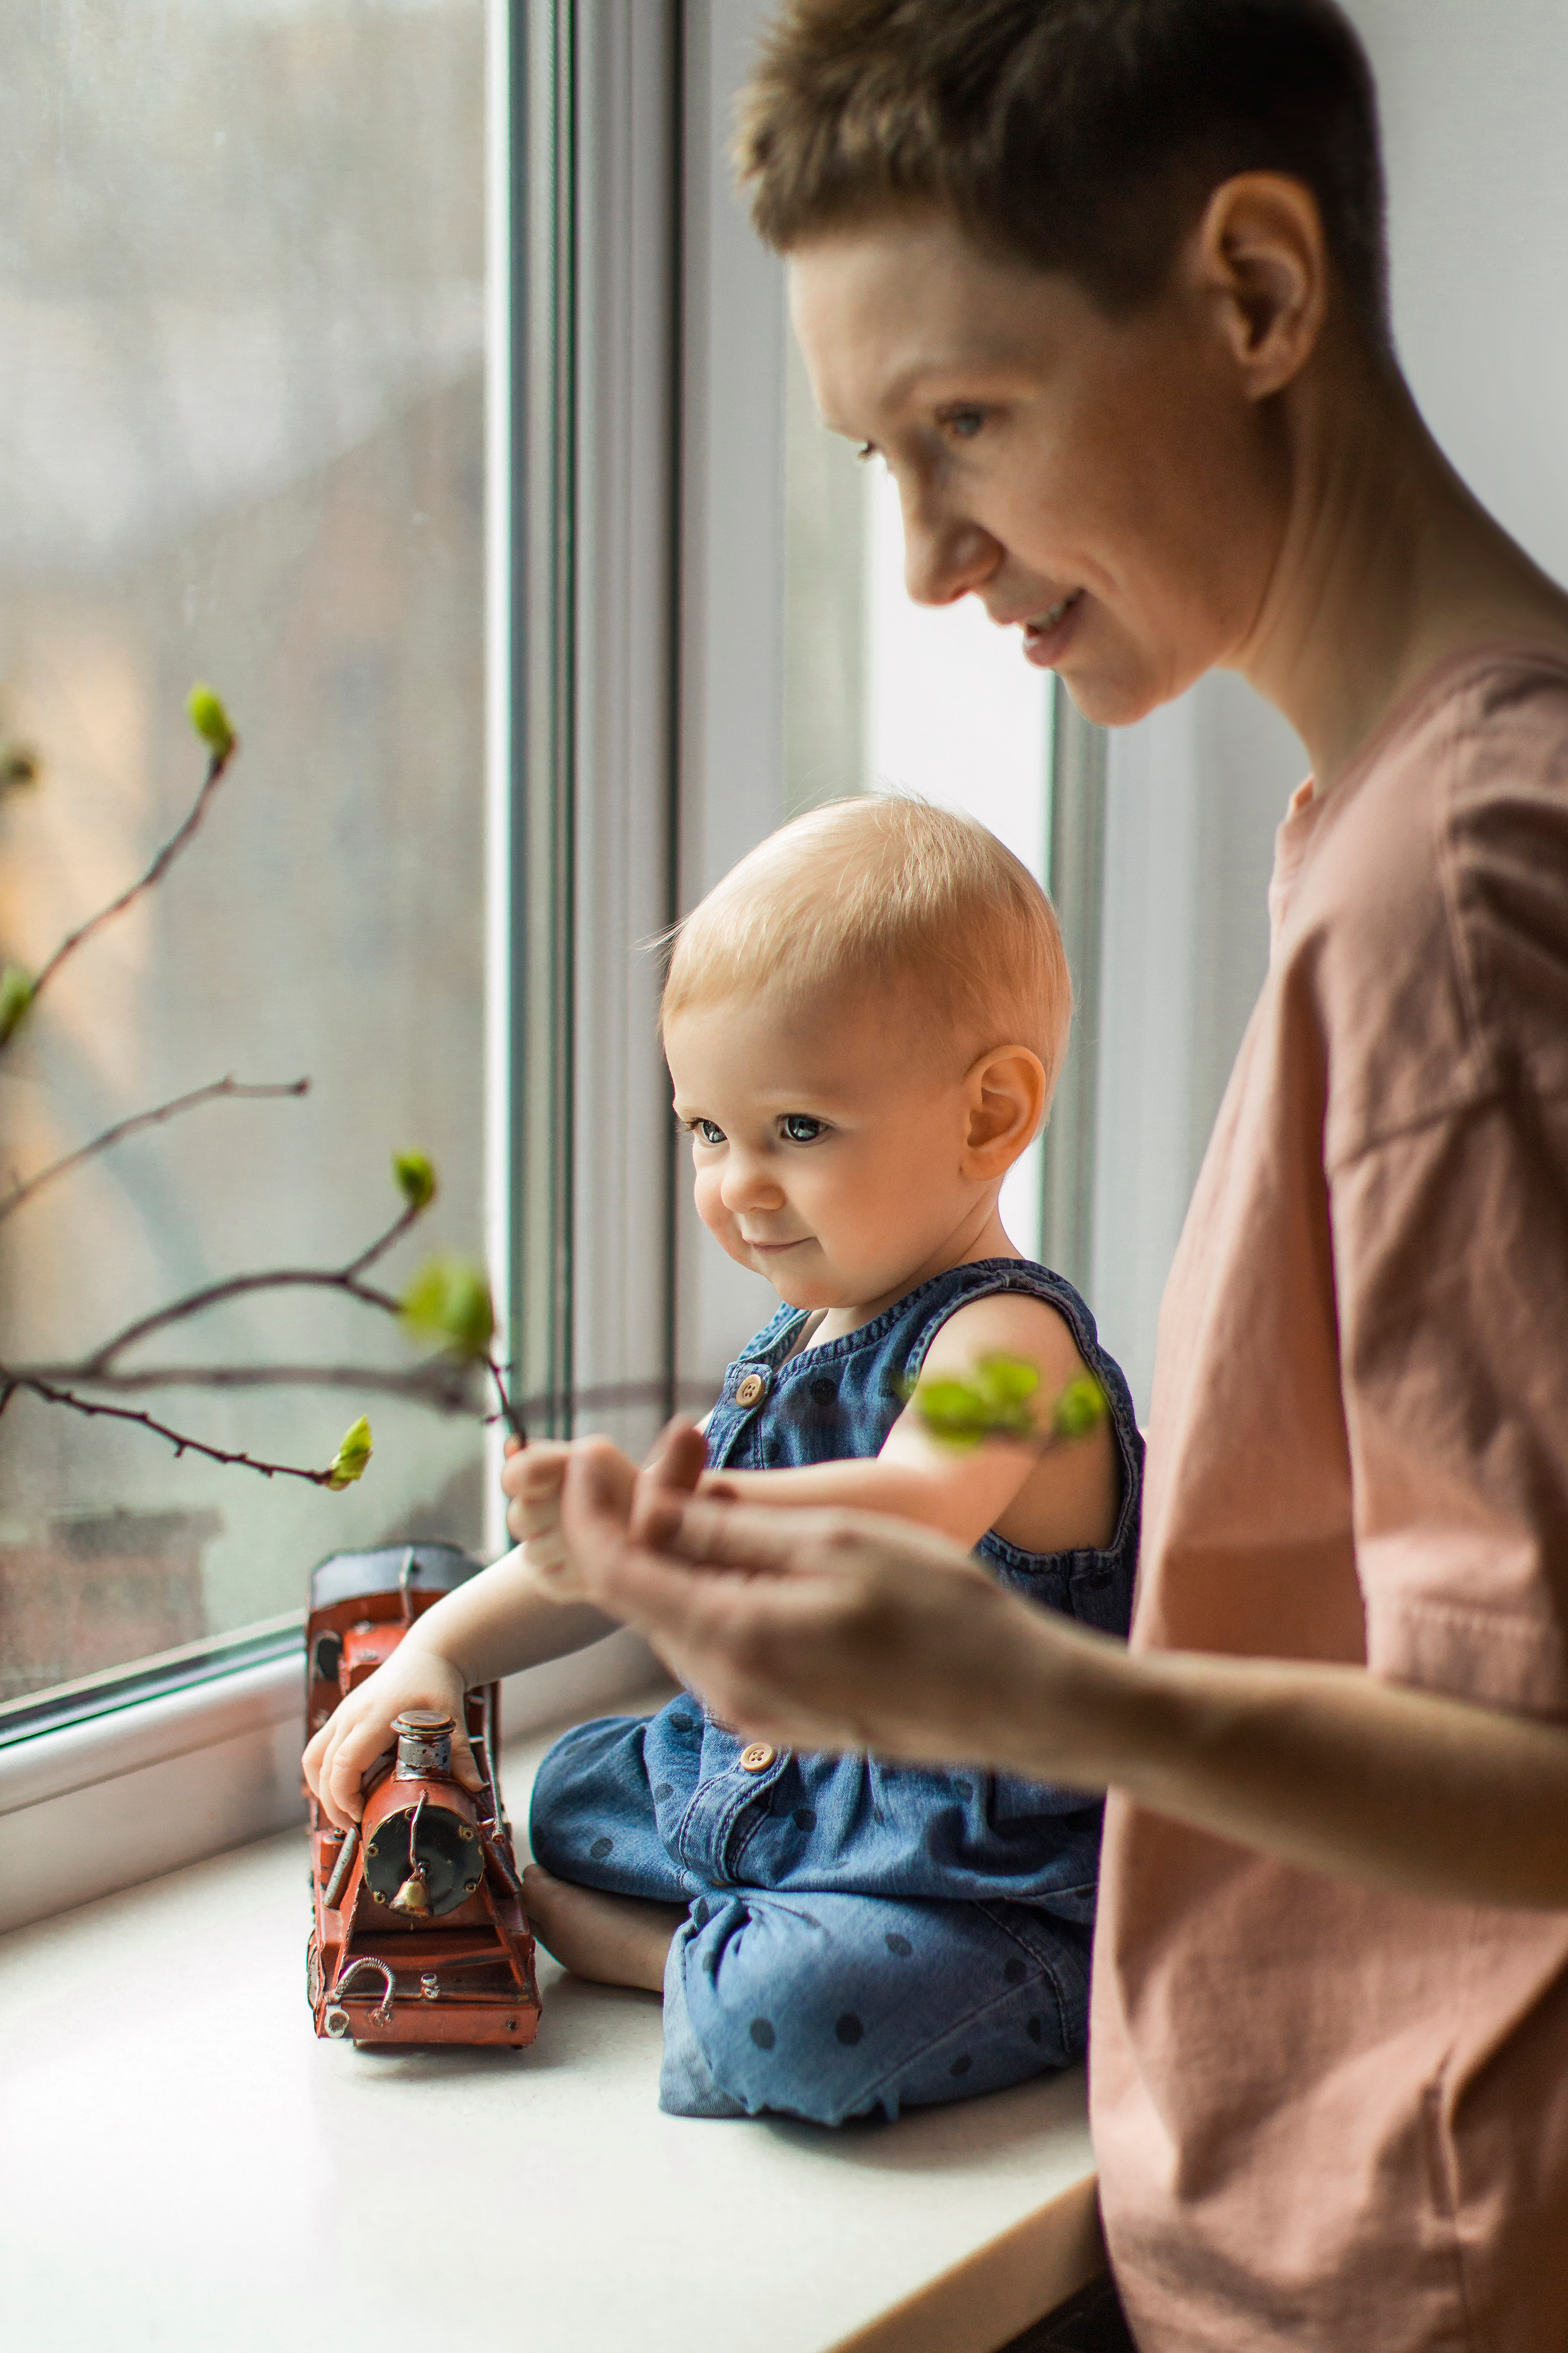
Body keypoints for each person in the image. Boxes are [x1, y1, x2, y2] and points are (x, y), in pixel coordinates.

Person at [535, 2, 1568, 2347]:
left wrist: (1031, 1696)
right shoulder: (1402, 828)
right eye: (875, 459)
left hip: (1421, 2264)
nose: (918, 563)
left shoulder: (1463, 887)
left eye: (967, 424)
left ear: (1255, 298)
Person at [304, 795, 1143, 2125]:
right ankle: (709, 1931)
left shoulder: (1011, 1340)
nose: (738, 1185)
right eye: (708, 1131)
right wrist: (441, 1650)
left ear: (987, 1116)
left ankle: (680, 1964)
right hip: (790, 1792)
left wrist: (666, 1524)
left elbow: (914, 1507)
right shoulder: (801, 1329)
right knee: (575, 1791)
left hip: (964, 1878)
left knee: (799, 2024)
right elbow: (600, 1565)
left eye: (796, 1131)